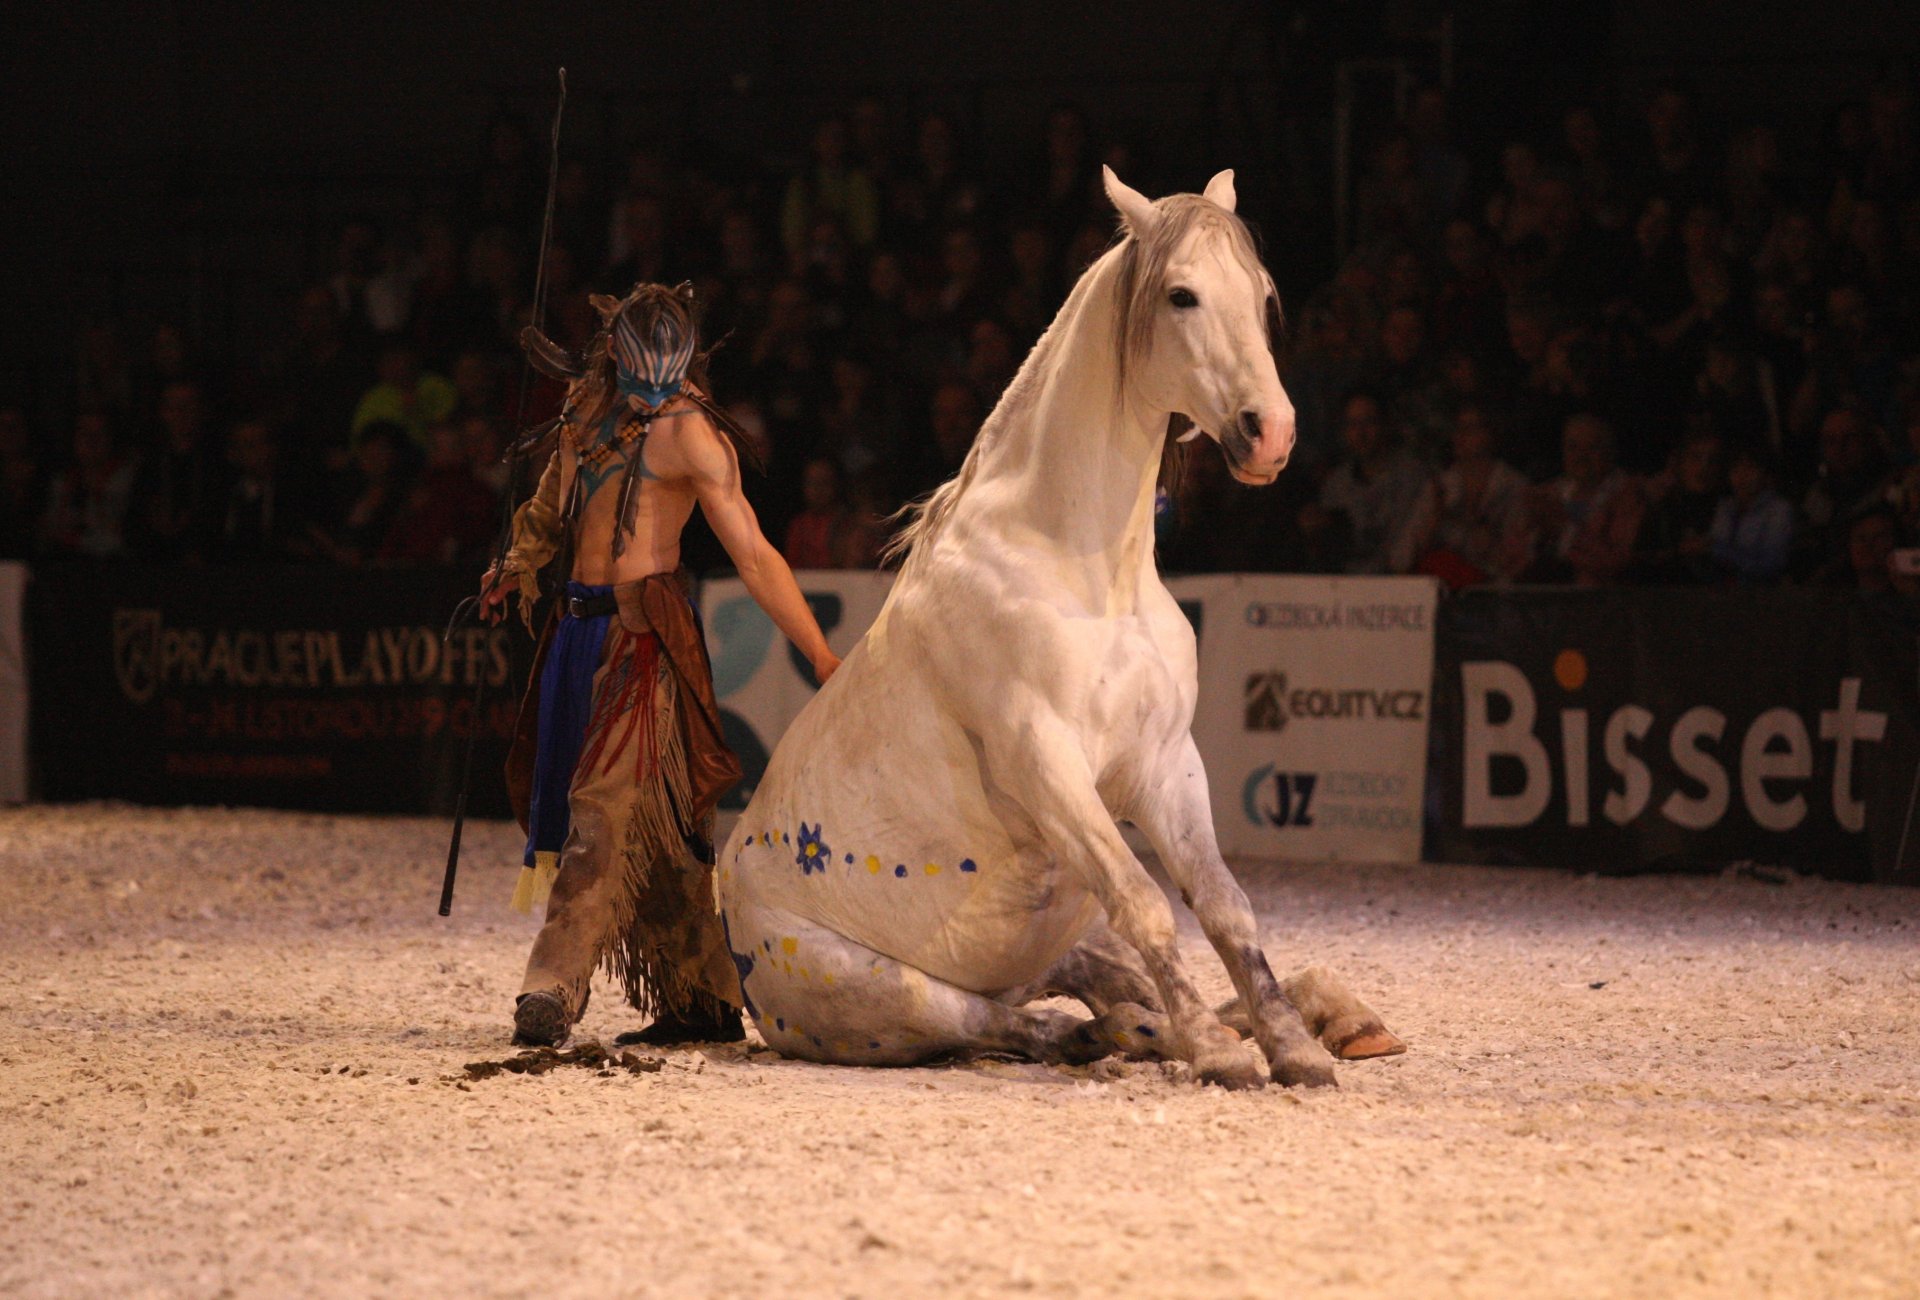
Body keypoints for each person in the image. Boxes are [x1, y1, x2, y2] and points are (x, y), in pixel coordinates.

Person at [480, 281, 841, 1049]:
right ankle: (702, 1000)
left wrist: (818, 650)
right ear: (616, 358)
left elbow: (754, 553)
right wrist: (517, 560)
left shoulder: (692, 435)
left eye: (670, 383)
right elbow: (550, 505)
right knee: (669, 835)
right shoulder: (586, 408)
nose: (658, 397)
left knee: (603, 816)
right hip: (576, 632)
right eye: (646, 383)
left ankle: (552, 985)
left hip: (645, 641)